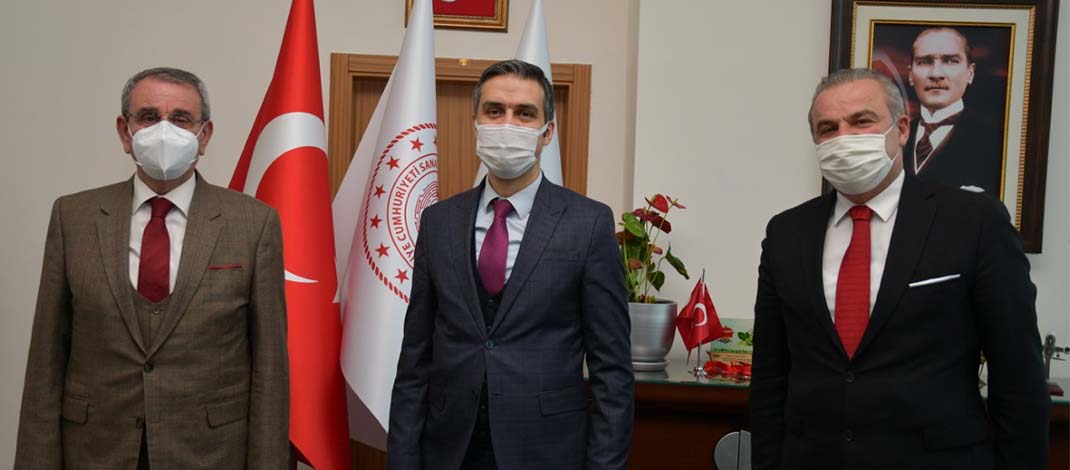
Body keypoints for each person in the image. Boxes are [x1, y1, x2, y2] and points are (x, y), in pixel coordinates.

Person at [750, 68, 1049, 469]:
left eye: (862, 121)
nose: (844, 138)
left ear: (902, 129)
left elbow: (1018, 376)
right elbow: (769, 376)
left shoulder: (973, 222)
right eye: (828, 128)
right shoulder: (787, 233)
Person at [15, 67, 290, 469]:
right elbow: (46, 360)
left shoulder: (253, 224)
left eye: (180, 119)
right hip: (96, 452)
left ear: (204, 135)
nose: (164, 131)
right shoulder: (73, 218)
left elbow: (270, 368)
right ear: (125, 133)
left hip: (210, 454)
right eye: (148, 117)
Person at [387, 59, 633, 470]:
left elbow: (613, 373)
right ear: (476, 122)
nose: (507, 124)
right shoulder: (438, 222)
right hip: (448, 450)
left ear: (547, 131)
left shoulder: (588, 224)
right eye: (494, 110)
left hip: (547, 452)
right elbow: (415, 361)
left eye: (524, 114)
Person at [904, 27, 1005, 194]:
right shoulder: (895, 138)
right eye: (924, 62)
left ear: (970, 73)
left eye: (950, 61)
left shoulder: (996, 140)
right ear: (910, 75)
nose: (936, 74)